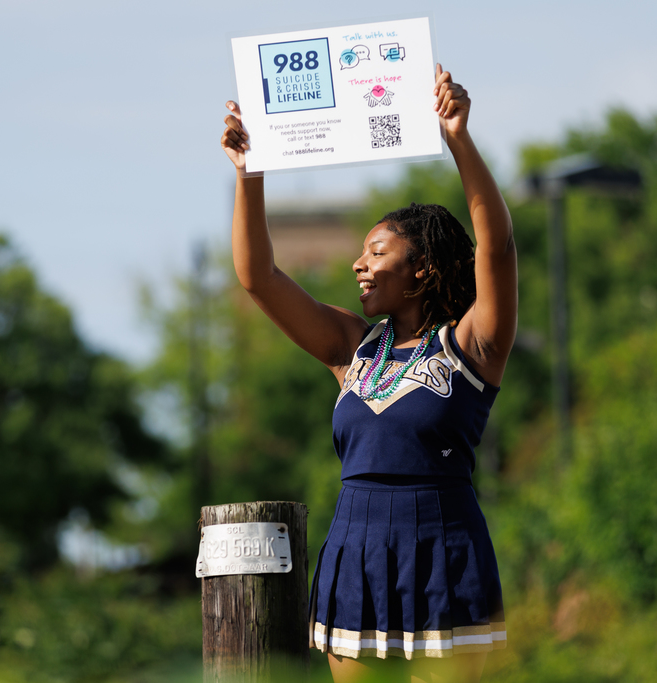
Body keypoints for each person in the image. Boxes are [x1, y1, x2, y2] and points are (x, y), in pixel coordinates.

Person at [220, 65, 517, 683]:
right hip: (356, 548)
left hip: (444, 548)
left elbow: (499, 251)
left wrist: (458, 139)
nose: (358, 264)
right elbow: (259, 277)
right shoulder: (352, 349)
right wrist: (250, 175)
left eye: (377, 252)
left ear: (425, 269)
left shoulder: (473, 343)